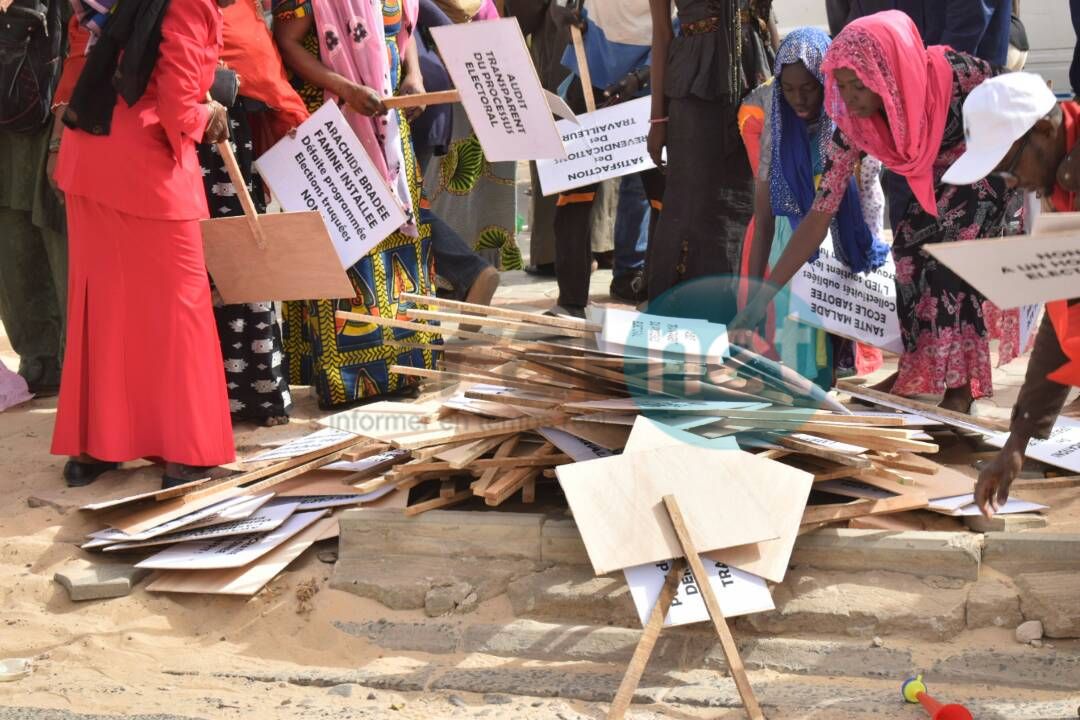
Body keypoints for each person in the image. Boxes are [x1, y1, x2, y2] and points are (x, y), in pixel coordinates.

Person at [732, 11, 1018, 413]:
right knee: (908, 254)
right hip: (932, 174)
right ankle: (915, 371)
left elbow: (1016, 103)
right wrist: (761, 298)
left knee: (951, 264)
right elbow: (819, 215)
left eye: (857, 86)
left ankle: (961, 389)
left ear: (885, 73)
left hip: (990, 163)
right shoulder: (852, 122)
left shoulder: (957, 74)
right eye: (841, 86)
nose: (849, 98)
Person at [53, 0, 236, 488]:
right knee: (182, 314)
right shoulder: (192, 4)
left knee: (102, 307)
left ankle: (91, 451)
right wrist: (208, 115)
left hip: (88, 158)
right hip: (145, 170)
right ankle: (186, 454)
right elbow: (178, 105)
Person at [274, 0, 441, 410]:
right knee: (345, 251)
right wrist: (347, 89)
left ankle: (406, 369)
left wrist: (414, 78)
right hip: (333, 123)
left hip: (387, 126)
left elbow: (403, 32)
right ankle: (345, 381)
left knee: (401, 248)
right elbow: (286, 41)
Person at [941, 72, 1080, 517]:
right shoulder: (1063, 187)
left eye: (1009, 166)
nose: (1011, 183)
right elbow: (1064, 320)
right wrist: (1017, 441)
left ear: (1042, 130)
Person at [742, 27, 887, 388]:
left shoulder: (848, 125)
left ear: (826, 80)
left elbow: (869, 196)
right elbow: (764, 220)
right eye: (788, 90)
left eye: (808, 87)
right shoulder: (778, 131)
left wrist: (865, 253)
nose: (798, 99)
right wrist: (752, 296)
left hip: (837, 244)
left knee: (823, 347)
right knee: (793, 350)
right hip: (788, 246)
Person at [199, 0, 310, 427]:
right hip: (170, 137)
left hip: (226, 136)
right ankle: (200, 403)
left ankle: (259, 395)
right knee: (192, 272)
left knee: (244, 260)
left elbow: (253, 55)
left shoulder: (237, 13)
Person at [646, 0, 776, 310]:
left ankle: (740, 316)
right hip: (693, 89)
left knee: (748, 203)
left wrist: (781, 93)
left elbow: (768, 18)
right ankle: (685, 317)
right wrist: (657, 119)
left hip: (755, 80)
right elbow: (662, 33)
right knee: (692, 204)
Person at [547, 0, 663, 316]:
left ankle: (658, 297)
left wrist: (641, 77)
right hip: (591, 73)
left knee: (662, 199)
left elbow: (680, 30)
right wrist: (563, 16)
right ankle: (570, 302)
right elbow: (559, 6)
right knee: (573, 194)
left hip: (654, 83)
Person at [418, 0, 524, 275]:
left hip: (471, 72)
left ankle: (466, 272)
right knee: (456, 189)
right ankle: (469, 270)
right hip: (477, 69)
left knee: (449, 188)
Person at [412, 0, 500, 312]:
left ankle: (469, 272)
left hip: (409, 94)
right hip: (429, 85)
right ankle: (467, 275)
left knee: (396, 208)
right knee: (402, 205)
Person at [0, 0, 69, 398]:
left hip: (55, 116)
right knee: (13, 243)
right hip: (8, 128)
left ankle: (72, 361)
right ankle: (39, 360)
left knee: (61, 232)